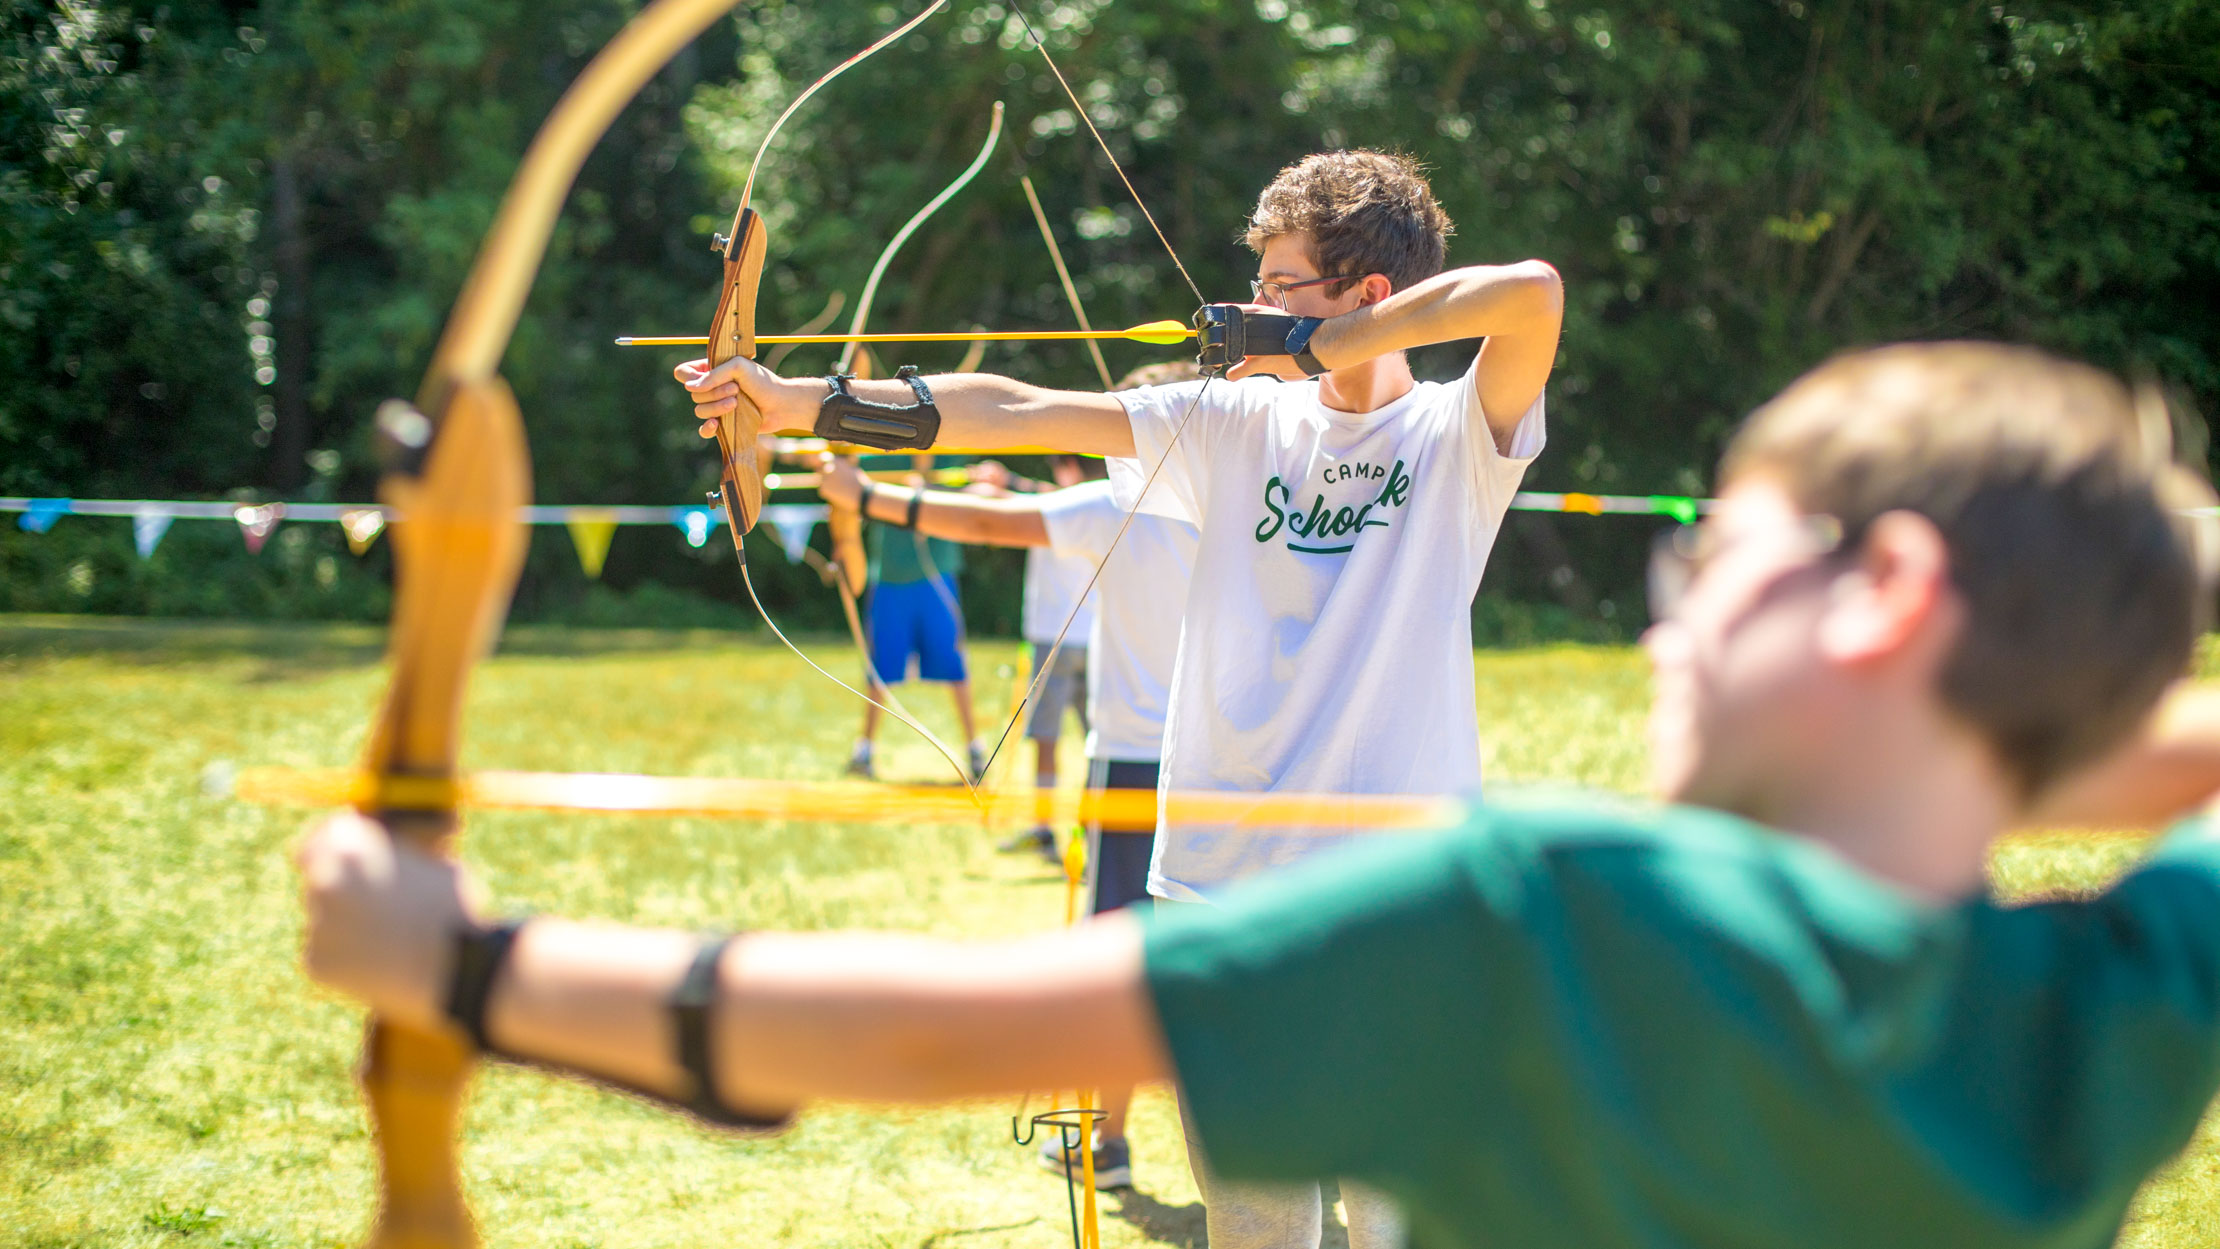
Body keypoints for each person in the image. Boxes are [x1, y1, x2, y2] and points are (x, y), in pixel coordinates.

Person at [301, 341, 2220, 1249]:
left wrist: (467, 961)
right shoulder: (2120, 1008)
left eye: (1712, 560)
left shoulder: (1552, 923)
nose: (1668, 616)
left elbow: (915, 1027)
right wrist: (2020, 738)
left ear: (1883, 598)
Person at [684, 149, 1561, 1246]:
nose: (1250, 306)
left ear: (1365, 295)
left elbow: (1529, 294)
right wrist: (798, 403)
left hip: (1399, 902)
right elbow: (1021, 409)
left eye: (1282, 285)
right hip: (1219, 888)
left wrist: (1317, 345)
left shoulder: (1450, 435)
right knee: (1255, 1222)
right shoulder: (1238, 424)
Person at [815, 363, 1204, 1190]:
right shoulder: (1238, 502)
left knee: (1121, 958)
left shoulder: (1116, 504)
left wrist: (866, 497)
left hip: (1137, 760)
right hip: (1226, 762)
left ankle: (1107, 1140)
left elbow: (988, 524)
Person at [977, 453, 1102, 864]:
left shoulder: (1060, 505)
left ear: (1071, 468)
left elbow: (1028, 497)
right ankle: (1095, 832)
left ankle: (1047, 828)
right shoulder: (1106, 504)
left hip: (1056, 637)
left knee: (1047, 740)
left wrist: (1002, 482)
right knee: (1097, 742)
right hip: (1094, 638)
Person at [840, 453, 986, 783]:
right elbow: (850, 482)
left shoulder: (951, 454)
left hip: (936, 577)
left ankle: (975, 749)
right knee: (880, 669)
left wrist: (929, 493)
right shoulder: (881, 457)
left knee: (954, 663)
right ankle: (864, 750)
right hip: (891, 578)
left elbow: (967, 502)